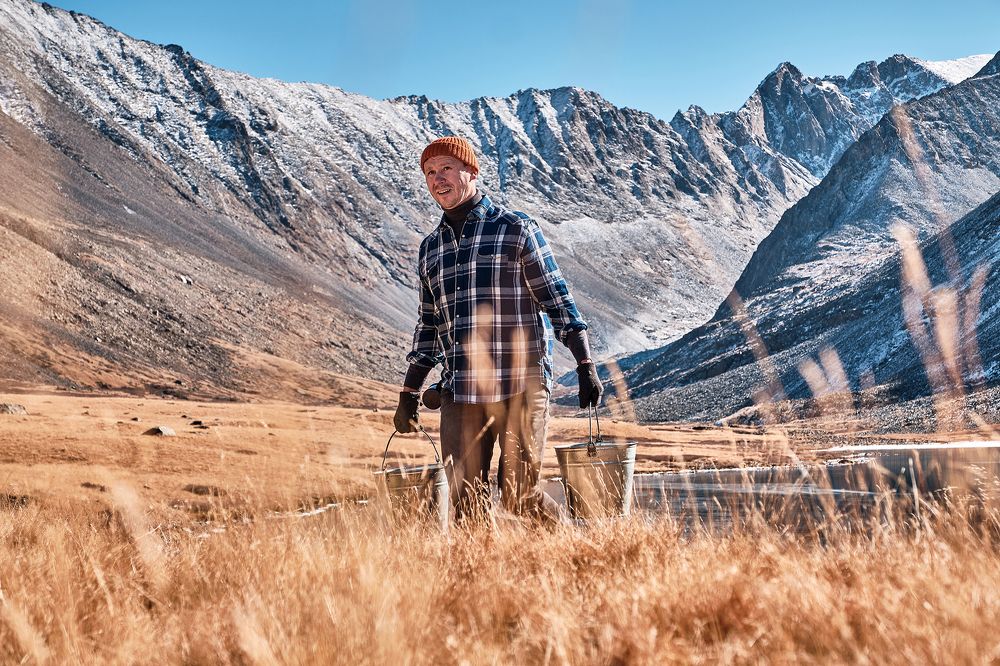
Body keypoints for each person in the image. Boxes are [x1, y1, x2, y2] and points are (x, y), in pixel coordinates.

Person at [394, 136, 601, 521]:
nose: (438, 179)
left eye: (447, 168)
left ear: (471, 172)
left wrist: (585, 364)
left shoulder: (515, 228)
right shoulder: (430, 249)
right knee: (465, 502)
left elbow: (557, 300)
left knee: (520, 495)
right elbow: (429, 326)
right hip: (460, 390)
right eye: (430, 173)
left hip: (520, 384)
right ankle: (485, 563)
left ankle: (574, 550)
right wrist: (409, 392)